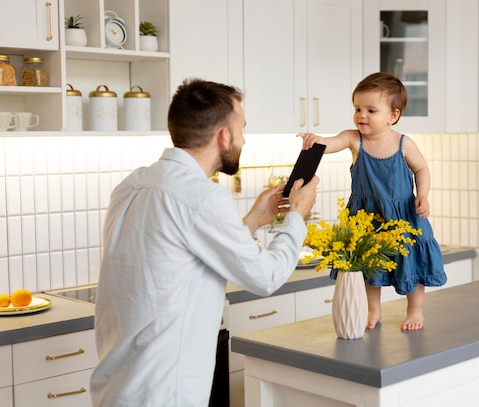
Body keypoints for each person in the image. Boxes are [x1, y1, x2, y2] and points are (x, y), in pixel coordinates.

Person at [90, 78, 319, 406]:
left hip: (115, 389)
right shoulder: (203, 196)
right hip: (165, 392)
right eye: (241, 128)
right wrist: (296, 214)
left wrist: (254, 219)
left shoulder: (132, 185)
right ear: (223, 136)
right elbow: (265, 276)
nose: (243, 139)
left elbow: (186, 249)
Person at [299, 72, 446, 331]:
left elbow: (422, 169)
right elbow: (331, 143)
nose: (361, 115)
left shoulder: (404, 144)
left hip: (404, 216)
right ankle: (373, 309)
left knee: (413, 260)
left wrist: (422, 195)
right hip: (367, 215)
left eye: (371, 110)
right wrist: (317, 140)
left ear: (393, 115)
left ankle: (415, 310)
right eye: (357, 108)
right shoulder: (354, 138)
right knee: (367, 264)